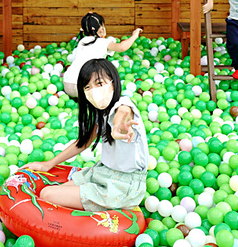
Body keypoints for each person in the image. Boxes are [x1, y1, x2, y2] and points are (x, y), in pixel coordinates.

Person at [24, 59, 149, 212]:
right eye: (87, 87)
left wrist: (117, 126)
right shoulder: (101, 113)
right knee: (56, 191)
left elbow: (122, 112)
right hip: (103, 172)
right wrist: (49, 164)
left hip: (123, 186)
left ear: (113, 82)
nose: (93, 90)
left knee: (47, 194)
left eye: (99, 83)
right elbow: (83, 142)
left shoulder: (123, 104)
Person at [61, 12, 142, 98]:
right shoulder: (102, 42)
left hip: (67, 84)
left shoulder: (81, 42)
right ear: (100, 28)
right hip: (84, 89)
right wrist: (134, 36)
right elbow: (122, 47)